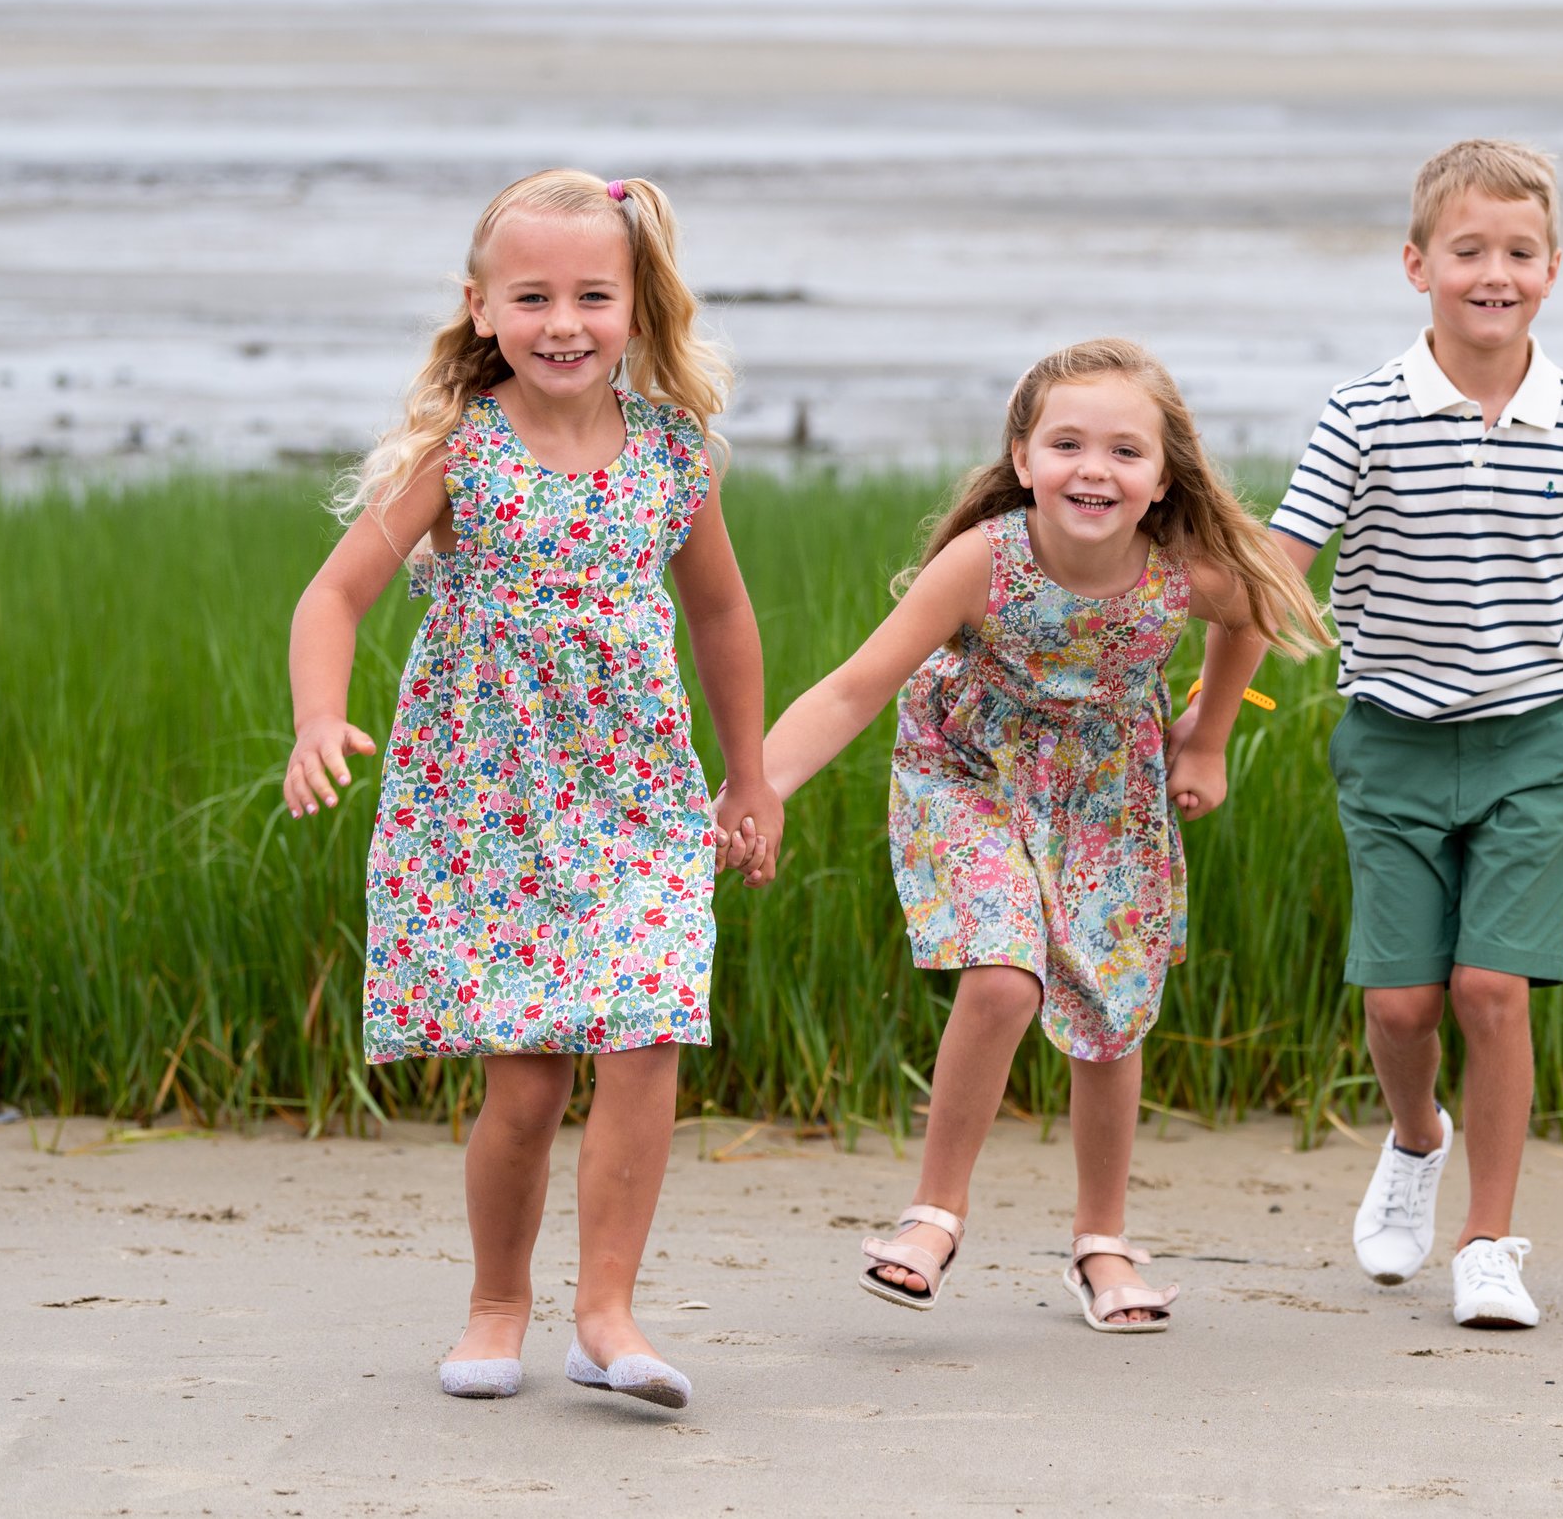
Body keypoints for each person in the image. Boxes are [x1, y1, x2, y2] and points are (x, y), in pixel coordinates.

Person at [283, 169, 780, 1408]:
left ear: (637, 306)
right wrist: (317, 718)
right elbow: (332, 594)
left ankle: (606, 1315)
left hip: (637, 796)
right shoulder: (464, 451)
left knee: (651, 1030)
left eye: (594, 295)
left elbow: (720, 613)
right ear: (482, 306)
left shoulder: (675, 454)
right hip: (487, 800)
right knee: (528, 1078)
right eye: (535, 295)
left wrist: (751, 775)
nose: (565, 321)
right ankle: (496, 1301)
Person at [756, 338, 1328, 1333]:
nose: (1093, 469)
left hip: (1109, 789)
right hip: (966, 773)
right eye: (1066, 443)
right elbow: (855, 685)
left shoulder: (1179, 574)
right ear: (1023, 458)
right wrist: (757, 787)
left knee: (1111, 1010)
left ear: (1161, 477)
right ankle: (933, 1213)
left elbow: (1256, 612)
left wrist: (1210, 739)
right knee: (1006, 971)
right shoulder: (983, 561)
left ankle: (1100, 1240)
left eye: (1124, 451)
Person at [1256, 138, 1563, 1328]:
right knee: (1399, 1009)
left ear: (1552, 269)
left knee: (1491, 989)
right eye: (1468, 250)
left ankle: (1490, 1240)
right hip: (1388, 738)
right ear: (1416, 263)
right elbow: (1285, 568)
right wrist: (1211, 705)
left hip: (1537, 739)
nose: (1495, 272)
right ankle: (1414, 1137)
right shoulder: (1363, 412)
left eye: (1520, 252)